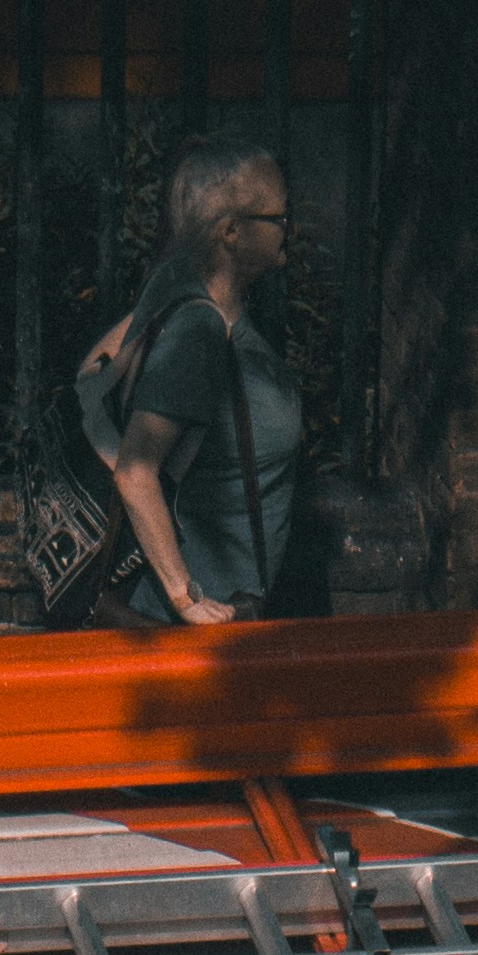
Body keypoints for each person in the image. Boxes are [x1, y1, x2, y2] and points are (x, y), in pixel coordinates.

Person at [79, 138, 306, 627]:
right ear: (230, 232)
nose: (289, 227)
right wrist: (186, 598)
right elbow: (135, 470)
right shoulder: (197, 332)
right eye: (277, 218)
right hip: (198, 626)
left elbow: (90, 373)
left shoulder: (183, 294)